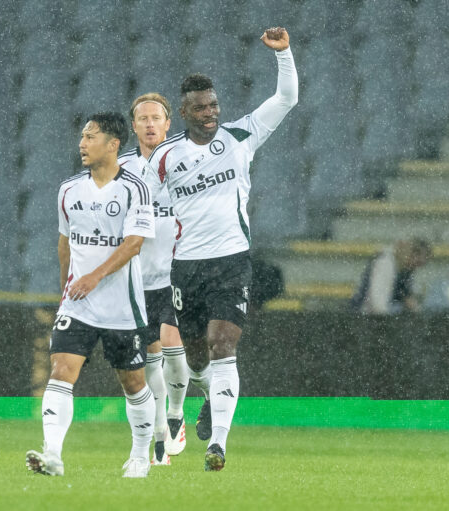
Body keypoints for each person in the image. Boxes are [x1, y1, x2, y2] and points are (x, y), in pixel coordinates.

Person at [143, 27, 298, 471]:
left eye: (213, 105)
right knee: (193, 357)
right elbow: (145, 211)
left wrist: (284, 54)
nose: (210, 112)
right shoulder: (163, 159)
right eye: (201, 107)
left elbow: (286, 98)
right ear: (185, 112)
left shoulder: (239, 136)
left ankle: (219, 446)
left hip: (231, 262)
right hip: (185, 268)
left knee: (222, 343)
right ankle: (210, 394)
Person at [26, 112, 156, 478]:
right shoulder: (69, 189)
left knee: (133, 383)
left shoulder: (135, 188)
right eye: (82, 137)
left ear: (113, 144)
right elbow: (65, 243)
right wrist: (67, 286)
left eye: (91, 137)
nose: (82, 144)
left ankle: (141, 454)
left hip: (122, 307)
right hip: (79, 304)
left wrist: (94, 277)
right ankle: (52, 455)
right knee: (61, 371)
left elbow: (133, 245)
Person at [117, 93, 190, 465]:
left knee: (175, 348)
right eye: (142, 118)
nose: (149, 124)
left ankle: (176, 414)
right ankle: (163, 429)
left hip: (174, 274)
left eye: (155, 118)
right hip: (137, 280)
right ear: (133, 126)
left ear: (167, 124)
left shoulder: (184, 161)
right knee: (150, 360)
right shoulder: (121, 168)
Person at [350, 238, 432, 315]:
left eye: (418, 264)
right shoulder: (385, 263)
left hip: (380, 315)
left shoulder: (404, 271)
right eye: (413, 257)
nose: (413, 265)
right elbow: (377, 305)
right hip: (365, 315)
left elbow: (410, 300)